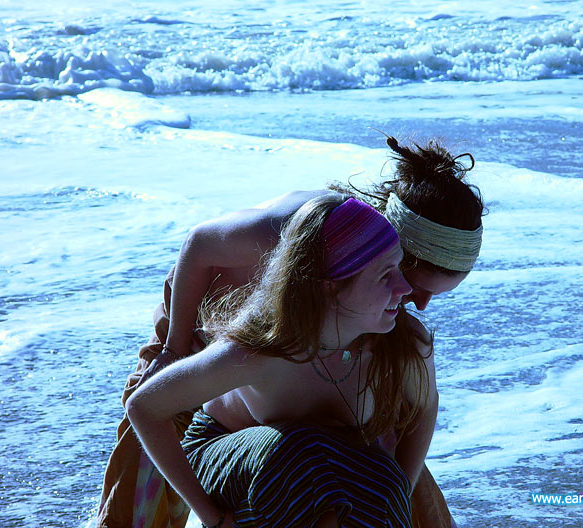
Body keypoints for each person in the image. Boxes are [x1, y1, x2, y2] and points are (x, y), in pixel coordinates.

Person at [96, 136, 484, 527]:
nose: (418, 303)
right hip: (201, 304)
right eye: (415, 284)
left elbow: (418, 412)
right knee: (151, 445)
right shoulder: (300, 232)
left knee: (375, 469)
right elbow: (198, 244)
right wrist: (174, 349)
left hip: (314, 325)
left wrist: (398, 488)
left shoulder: (381, 309)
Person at [127, 195, 433, 527]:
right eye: (385, 276)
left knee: (379, 481)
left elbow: (425, 407)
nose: (406, 289)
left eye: (399, 267)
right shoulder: (262, 349)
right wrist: (211, 517)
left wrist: (400, 490)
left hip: (318, 466)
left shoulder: (404, 345)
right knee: (303, 455)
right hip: (233, 458)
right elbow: (144, 407)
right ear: (330, 287)